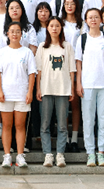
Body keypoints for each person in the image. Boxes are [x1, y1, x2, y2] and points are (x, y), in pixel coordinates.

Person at [76, 7, 104, 167]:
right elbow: (78, 63)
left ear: (100, 19)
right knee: (88, 120)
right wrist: (78, 83)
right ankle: (90, 153)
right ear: (86, 21)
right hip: (87, 84)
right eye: (90, 17)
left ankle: (101, 152)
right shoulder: (82, 39)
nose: (93, 20)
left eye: (96, 17)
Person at [0, 22, 37, 169]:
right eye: (12, 31)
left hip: (22, 94)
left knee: (20, 125)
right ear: (7, 34)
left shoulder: (27, 52)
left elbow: (32, 74)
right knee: (6, 125)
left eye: (18, 31)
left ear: (21, 34)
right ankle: (7, 155)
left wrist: (30, 92)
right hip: (6, 94)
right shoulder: (2, 52)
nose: (15, 34)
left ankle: (20, 155)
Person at [36, 17, 76, 168]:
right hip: (46, 89)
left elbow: (72, 70)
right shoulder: (42, 47)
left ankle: (60, 154)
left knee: (62, 125)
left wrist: (72, 88)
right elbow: (38, 70)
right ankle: (48, 154)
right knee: (45, 124)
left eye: (57, 26)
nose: (54, 28)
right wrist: (38, 88)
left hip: (63, 89)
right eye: (51, 26)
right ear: (47, 28)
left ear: (61, 28)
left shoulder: (67, 46)